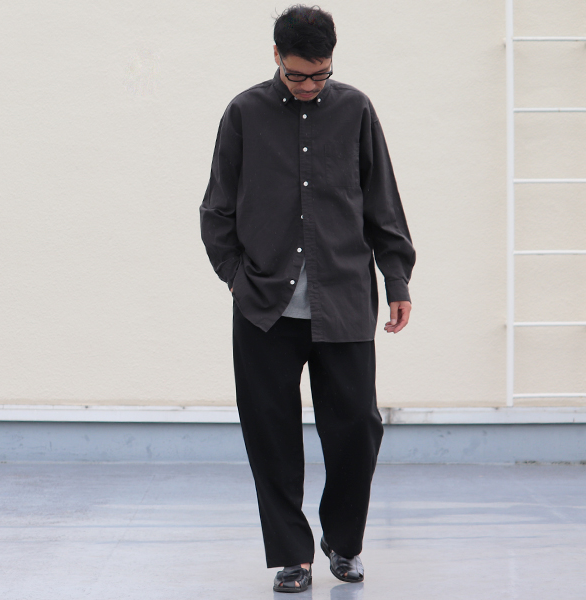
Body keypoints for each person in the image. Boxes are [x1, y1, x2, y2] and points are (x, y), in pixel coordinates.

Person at [200, 4, 415, 593]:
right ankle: (292, 557)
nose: (308, 85)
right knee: (270, 433)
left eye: (320, 75)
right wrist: (238, 279)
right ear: (276, 56)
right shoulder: (244, 113)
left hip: (343, 299)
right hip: (263, 309)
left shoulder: (355, 109)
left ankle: (344, 544)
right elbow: (216, 209)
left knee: (358, 429)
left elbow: (382, 202)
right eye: (297, 75)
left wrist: (396, 280)